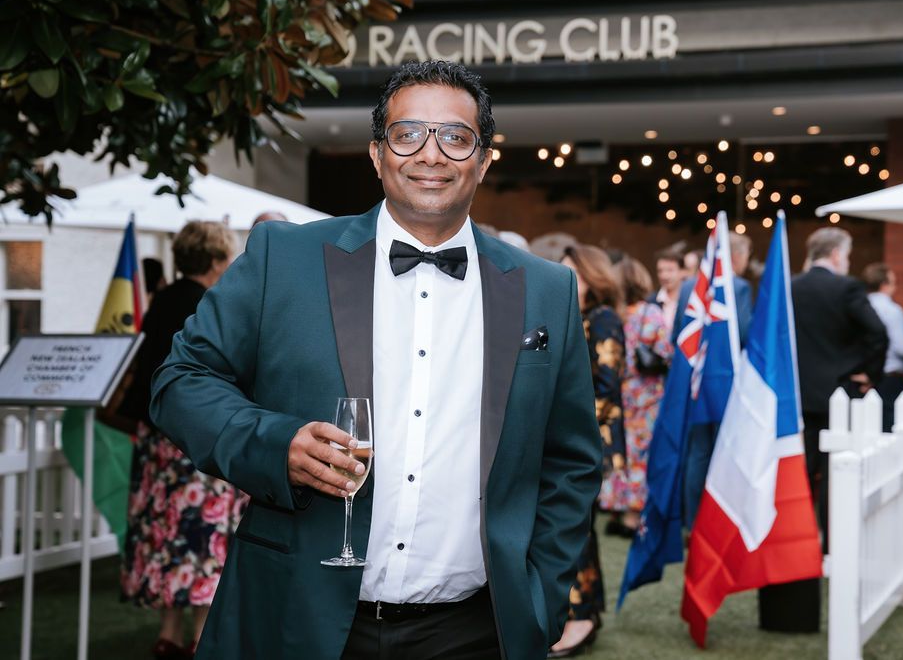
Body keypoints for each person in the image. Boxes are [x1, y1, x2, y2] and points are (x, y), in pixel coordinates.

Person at [150, 61, 602, 660]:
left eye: (456, 137)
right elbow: (180, 381)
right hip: (298, 613)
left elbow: (571, 460)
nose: (431, 154)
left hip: (475, 630)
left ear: (485, 159)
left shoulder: (547, 289)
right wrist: (273, 443)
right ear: (376, 153)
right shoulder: (282, 257)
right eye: (408, 133)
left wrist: (541, 594)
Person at [119, 221, 244, 660]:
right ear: (214, 261)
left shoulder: (162, 301)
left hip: (156, 440)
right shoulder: (208, 305)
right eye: (226, 257)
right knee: (199, 534)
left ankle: (167, 635)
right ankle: (200, 637)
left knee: (163, 531)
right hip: (192, 443)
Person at [761, 226, 886, 633]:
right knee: (838, 478)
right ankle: (833, 549)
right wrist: (865, 373)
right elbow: (878, 333)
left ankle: (798, 552)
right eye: (846, 257)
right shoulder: (847, 289)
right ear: (836, 255)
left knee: (797, 480)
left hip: (793, 401)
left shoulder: (788, 287)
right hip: (837, 398)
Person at [553, 244, 625, 658]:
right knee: (570, 528)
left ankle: (583, 617)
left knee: (577, 528)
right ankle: (576, 612)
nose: (566, 282)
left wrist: (560, 423)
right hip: (566, 441)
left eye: (573, 274)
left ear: (592, 278)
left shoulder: (604, 319)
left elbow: (608, 388)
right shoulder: (573, 316)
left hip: (589, 442)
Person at [672, 232, 754, 528]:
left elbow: (677, 335)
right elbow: (743, 333)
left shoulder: (688, 287)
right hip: (723, 382)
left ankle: (693, 523)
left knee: (697, 452)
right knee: (724, 450)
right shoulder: (739, 287)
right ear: (736, 255)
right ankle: (719, 522)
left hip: (694, 378)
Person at [599, 255, 672, 536]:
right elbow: (666, 352)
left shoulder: (612, 315)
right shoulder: (650, 313)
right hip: (646, 394)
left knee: (620, 451)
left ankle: (615, 506)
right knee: (641, 455)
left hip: (619, 393)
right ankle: (633, 515)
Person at [863, 262, 903, 432]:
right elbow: (902, 347)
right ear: (884, 285)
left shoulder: (860, 308)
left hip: (864, 378)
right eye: (893, 283)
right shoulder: (892, 310)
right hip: (890, 378)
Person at [652, 244, 687, 334]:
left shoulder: (691, 300)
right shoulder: (651, 301)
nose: (664, 276)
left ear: (682, 272)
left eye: (670, 270)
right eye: (660, 271)